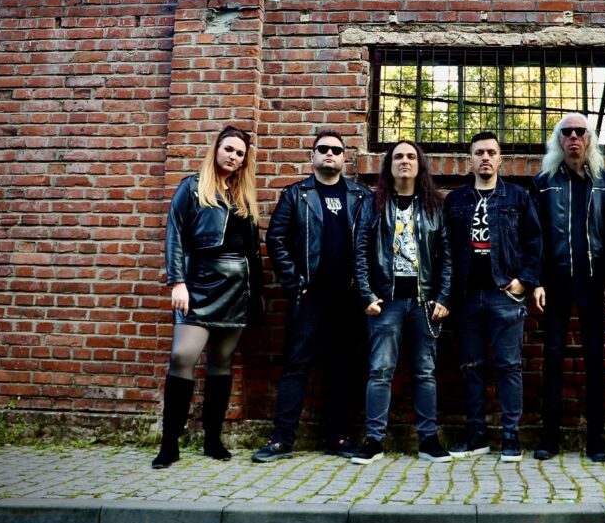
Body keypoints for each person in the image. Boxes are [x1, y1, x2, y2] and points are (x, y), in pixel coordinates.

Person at [252, 129, 371, 463]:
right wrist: (294, 283)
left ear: (344, 157)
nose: (330, 154)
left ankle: (338, 437)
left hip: (348, 298)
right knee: (296, 367)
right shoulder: (296, 194)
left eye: (336, 150)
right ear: (313, 155)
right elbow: (276, 239)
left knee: (343, 367)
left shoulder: (360, 196)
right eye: (323, 149)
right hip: (310, 298)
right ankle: (281, 439)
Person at [153, 125, 263, 469]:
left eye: (240, 153)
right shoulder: (191, 187)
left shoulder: (244, 196)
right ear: (216, 149)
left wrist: (256, 293)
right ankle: (169, 444)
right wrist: (177, 282)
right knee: (182, 356)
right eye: (229, 149)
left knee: (222, 362)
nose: (233, 156)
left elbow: (253, 252)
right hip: (199, 281)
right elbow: (174, 235)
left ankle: (212, 439)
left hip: (237, 287)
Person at [350, 140, 453, 465]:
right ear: (389, 165)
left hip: (425, 302)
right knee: (380, 371)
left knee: (425, 372)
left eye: (411, 156)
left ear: (419, 164)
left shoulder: (435, 205)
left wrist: (444, 296)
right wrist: (366, 295)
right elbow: (360, 251)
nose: (404, 161)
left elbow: (448, 256)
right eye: (398, 156)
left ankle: (428, 439)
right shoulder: (374, 204)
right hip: (386, 302)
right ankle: (374, 440)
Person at [444, 132, 542, 463]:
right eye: (479, 153)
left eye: (491, 152)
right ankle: (476, 436)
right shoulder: (455, 200)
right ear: (469, 161)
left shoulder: (517, 197)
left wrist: (524, 282)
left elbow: (535, 242)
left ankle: (511, 437)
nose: (485, 157)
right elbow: (444, 248)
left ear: (500, 159)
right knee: (471, 367)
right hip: (467, 296)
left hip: (505, 295)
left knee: (509, 366)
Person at [530, 113, 605, 462]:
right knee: (552, 357)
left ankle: (596, 440)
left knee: (594, 359)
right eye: (566, 133)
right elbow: (535, 236)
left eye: (580, 132)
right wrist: (537, 281)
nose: (573, 138)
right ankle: (549, 438)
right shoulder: (543, 183)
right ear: (558, 140)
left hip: (594, 283)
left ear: (590, 139)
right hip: (555, 282)